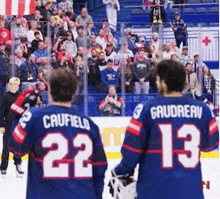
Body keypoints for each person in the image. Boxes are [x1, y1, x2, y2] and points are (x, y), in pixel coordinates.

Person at [110, 59, 219, 199]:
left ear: (163, 81)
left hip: (154, 191)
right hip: (190, 191)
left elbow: (131, 152)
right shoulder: (203, 110)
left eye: (157, 79)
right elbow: (210, 145)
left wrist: (120, 171)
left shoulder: (146, 109)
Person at [11, 68, 107, 199]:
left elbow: (15, 147)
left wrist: (18, 117)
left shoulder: (34, 117)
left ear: (50, 90)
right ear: (74, 92)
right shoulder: (90, 125)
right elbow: (100, 167)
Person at [0, 77, 23, 176]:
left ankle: (18, 165)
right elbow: (1, 112)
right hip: (8, 124)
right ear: (10, 85)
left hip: (18, 125)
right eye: (13, 84)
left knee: (18, 146)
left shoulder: (21, 96)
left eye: (17, 84)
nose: (15, 86)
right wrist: (1, 125)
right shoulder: (5, 97)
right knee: (6, 146)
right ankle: (3, 167)